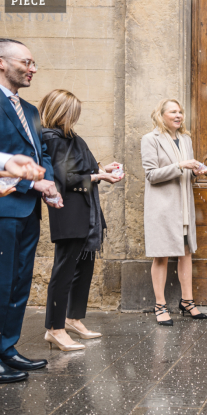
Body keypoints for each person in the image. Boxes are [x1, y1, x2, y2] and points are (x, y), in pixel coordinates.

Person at [39, 90, 123, 351]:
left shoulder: (70, 136)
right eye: (72, 111)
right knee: (63, 271)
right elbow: (65, 178)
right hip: (69, 212)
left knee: (83, 268)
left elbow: (82, 168)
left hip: (85, 212)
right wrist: (99, 178)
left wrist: (103, 169)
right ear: (61, 111)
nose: (75, 116)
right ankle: (54, 328)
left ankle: (73, 318)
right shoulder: (51, 138)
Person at [0, 38, 61, 384]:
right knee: (1, 283)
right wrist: (29, 184)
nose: (33, 69)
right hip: (4, 208)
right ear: (2, 63)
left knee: (19, 282)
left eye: (34, 63)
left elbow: (43, 156)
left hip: (29, 212)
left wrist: (48, 184)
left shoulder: (33, 111)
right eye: (27, 62)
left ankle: (8, 348)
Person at [141, 98, 207, 326]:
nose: (179, 116)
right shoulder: (150, 140)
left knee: (186, 253)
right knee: (161, 255)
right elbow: (151, 175)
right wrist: (181, 166)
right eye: (173, 112)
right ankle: (160, 305)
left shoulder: (185, 139)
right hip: (162, 208)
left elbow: (185, 173)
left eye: (180, 112)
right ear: (161, 115)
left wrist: (195, 171)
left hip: (184, 207)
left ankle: (187, 301)